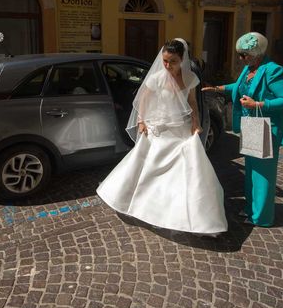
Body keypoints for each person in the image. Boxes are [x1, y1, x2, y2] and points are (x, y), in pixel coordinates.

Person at [97, 38, 228, 236]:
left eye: (172, 61)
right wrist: (141, 120)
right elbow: (143, 99)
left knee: (186, 170)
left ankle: (187, 214)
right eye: (165, 61)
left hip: (181, 131)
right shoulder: (157, 78)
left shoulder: (190, 78)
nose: (167, 65)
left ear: (182, 59)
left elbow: (192, 102)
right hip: (158, 129)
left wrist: (196, 122)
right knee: (150, 169)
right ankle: (145, 206)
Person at [203, 32, 283, 227]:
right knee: (251, 171)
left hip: (266, 128)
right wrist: (218, 88)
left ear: (257, 53)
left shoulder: (272, 71)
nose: (241, 58)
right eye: (240, 54)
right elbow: (240, 86)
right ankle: (251, 209)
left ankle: (262, 217)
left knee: (263, 176)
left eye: (244, 55)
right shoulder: (250, 68)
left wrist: (259, 104)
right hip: (252, 126)